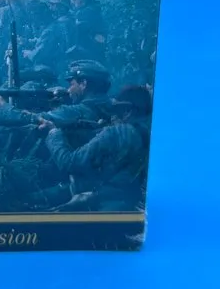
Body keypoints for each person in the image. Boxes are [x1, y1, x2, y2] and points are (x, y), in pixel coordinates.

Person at [40, 62, 149, 211]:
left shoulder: (118, 132)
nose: (112, 116)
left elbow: (70, 162)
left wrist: (54, 133)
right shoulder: (143, 132)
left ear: (128, 111)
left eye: (116, 110)